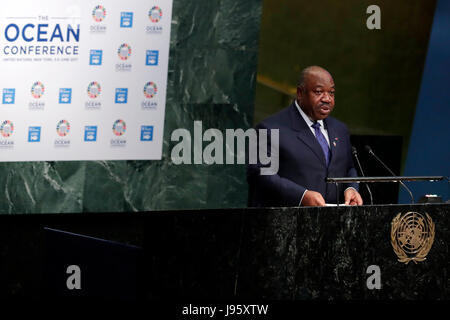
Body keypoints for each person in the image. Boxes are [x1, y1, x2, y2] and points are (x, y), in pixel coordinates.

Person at [247, 66, 363, 207]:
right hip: (287, 221)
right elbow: (260, 174)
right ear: (300, 93)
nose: (327, 99)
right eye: (319, 92)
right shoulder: (268, 128)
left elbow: (349, 168)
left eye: (331, 93)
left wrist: (351, 188)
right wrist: (302, 196)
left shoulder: (340, 129)